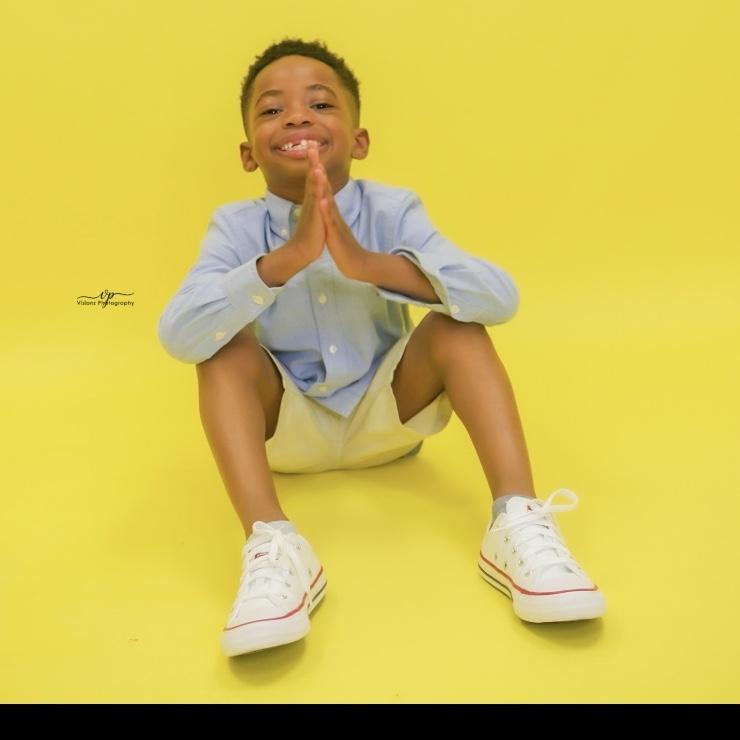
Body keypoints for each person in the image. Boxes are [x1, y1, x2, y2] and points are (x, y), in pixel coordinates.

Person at [157, 37, 606, 657]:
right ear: (247, 153)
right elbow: (178, 334)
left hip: (389, 418)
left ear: (359, 140)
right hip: (287, 432)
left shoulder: (393, 208)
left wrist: (369, 264)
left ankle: (516, 520)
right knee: (221, 348)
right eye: (272, 110)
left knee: (459, 325)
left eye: (321, 104)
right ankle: (273, 544)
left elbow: (499, 298)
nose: (297, 118)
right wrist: (284, 261)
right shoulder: (234, 226)